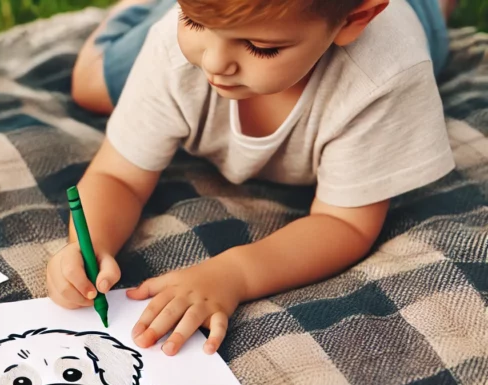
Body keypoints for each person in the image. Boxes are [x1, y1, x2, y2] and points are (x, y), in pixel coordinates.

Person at [47, 0, 455, 356]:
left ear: (353, 20)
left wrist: (235, 274)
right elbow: (118, 176)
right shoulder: (172, 51)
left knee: (431, 19)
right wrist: (88, 245)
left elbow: (346, 223)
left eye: (261, 47)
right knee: (90, 86)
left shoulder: (383, 78)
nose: (213, 63)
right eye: (192, 21)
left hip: (404, 18)